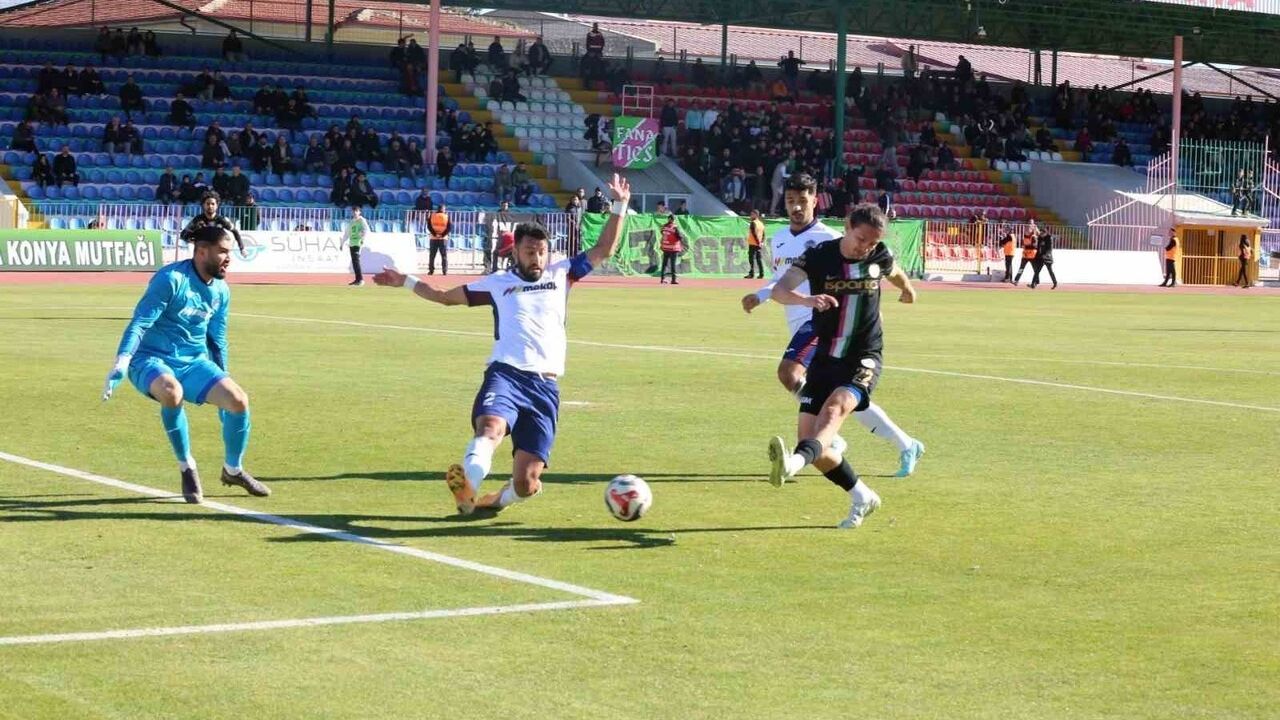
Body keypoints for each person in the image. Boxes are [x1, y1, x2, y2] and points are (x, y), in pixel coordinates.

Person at [371, 175, 632, 516]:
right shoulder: (497, 284)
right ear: (516, 254)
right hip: (506, 374)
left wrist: (619, 205)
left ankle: (496, 500)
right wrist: (405, 280)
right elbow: (443, 297)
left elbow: (604, 249)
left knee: (526, 483)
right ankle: (468, 489)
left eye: (541, 251)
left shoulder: (562, 274)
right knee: (490, 428)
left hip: (545, 387)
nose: (537, 258)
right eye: (529, 252)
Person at [741, 174, 925, 479]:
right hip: (804, 318)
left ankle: (826, 440)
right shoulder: (780, 238)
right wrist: (762, 296)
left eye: (803, 200)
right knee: (843, 396)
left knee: (790, 373)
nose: (797, 207)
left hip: (823, 324)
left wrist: (898, 295)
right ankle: (904, 443)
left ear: (816, 200)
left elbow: (878, 272)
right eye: (791, 201)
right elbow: (782, 279)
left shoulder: (831, 240)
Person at [765, 203, 919, 528]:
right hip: (825, 356)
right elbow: (780, 290)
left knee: (834, 411)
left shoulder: (879, 256)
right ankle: (862, 496)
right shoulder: (820, 255)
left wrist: (907, 289)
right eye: (862, 239)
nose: (866, 247)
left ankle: (792, 463)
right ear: (848, 225)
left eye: (873, 243)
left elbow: (894, 272)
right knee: (818, 449)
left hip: (864, 356)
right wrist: (806, 300)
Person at [100, 225, 270, 505]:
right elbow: (141, 322)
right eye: (223, 252)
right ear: (202, 251)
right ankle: (186, 466)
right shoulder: (171, 279)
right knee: (171, 392)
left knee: (238, 400)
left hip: (193, 362)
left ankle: (233, 470)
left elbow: (217, 338)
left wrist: (223, 376)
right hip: (150, 359)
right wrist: (122, 360)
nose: (229, 258)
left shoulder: (221, 291)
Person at [343, 207, 371, 287]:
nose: (355, 212)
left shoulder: (362, 220)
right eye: (353, 211)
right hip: (352, 243)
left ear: (359, 212)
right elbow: (347, 233)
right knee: (354, 262)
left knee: (356, 261)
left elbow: (366, 230)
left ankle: (361, 280)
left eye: (356, 211)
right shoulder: (352, 222)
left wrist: (363, 238)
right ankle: (357, 279)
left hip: (358, 243)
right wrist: (342, 243)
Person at [1012, 221, 1038, 285]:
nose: (1027, 229)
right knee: (1021, 268)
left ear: (1031, 229)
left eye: (1028, 228)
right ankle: (1016, 280)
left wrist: (1026, 246)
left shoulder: (1033, 237)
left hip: (1032, 255)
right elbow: (1024, 245)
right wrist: (1024, 247)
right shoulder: (1024, 236)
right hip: (1025, 255)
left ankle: (1037, 281)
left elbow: (1035, 246)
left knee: (1035, 269)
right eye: (1026, 228)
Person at [659, 215, 683, 285]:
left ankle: (662, 279)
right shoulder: (675, 227)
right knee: (673, 264)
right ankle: (673, 279)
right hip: (673, 248)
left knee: (664, 264)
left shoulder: (664, 227)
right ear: (673, 220)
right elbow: (680, 236)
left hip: (665, 247)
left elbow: (662, 233)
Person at [427, 204, 451, 275]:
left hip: (433, 238)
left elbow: (429, 226)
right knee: (444, 255)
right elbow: (449, 228)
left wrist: (435, 234)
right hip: (443, 239)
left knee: (432, 255)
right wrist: (442, 235)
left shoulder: (432, 216)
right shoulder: (446, 216)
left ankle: (431, 270)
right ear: (443, 209)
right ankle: (445, 271)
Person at [745, 209, 766, 279]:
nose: (750, 216)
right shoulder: (761, 223)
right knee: (759, 259)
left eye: (752, 214)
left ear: (756, 215)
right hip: (758, 244)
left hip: (753, 243)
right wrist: (761, 242)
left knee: (751, 259)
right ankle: (761, 274)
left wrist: (758, 242)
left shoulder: (753, 223)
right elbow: (764, 234)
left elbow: (754, 234)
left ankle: (751, 274)